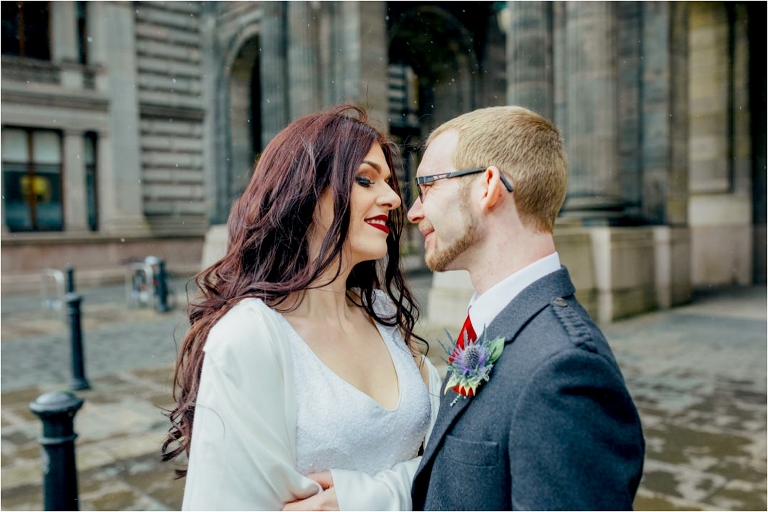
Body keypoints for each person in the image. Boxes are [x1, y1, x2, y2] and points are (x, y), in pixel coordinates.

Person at [161, 105, 442, 510]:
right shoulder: (250, 335)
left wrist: (369, 497)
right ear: (305, 193)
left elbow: (448, 456)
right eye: (365, 180)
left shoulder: (383, 314)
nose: (394, 199)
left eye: (389, 182)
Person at [406, 105, 646, 510]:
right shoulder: (496, 321)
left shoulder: (565, 371)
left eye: (427, 185)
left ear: (488, 186)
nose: (414, 211)